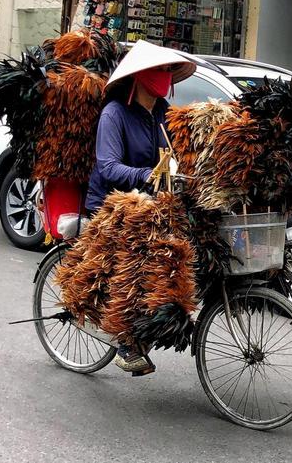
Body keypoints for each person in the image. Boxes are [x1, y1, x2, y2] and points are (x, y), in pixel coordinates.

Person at [85, 40, 196, 374]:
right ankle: (125, 343)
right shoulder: (114, 114)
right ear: (139, 76)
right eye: (158, 70)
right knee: (137, 263)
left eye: (167, 71)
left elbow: (175, 157)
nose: (164, 76)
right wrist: (146, 174)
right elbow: (107, 166)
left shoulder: (162, 113)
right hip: (111, 203)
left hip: (153, 203)